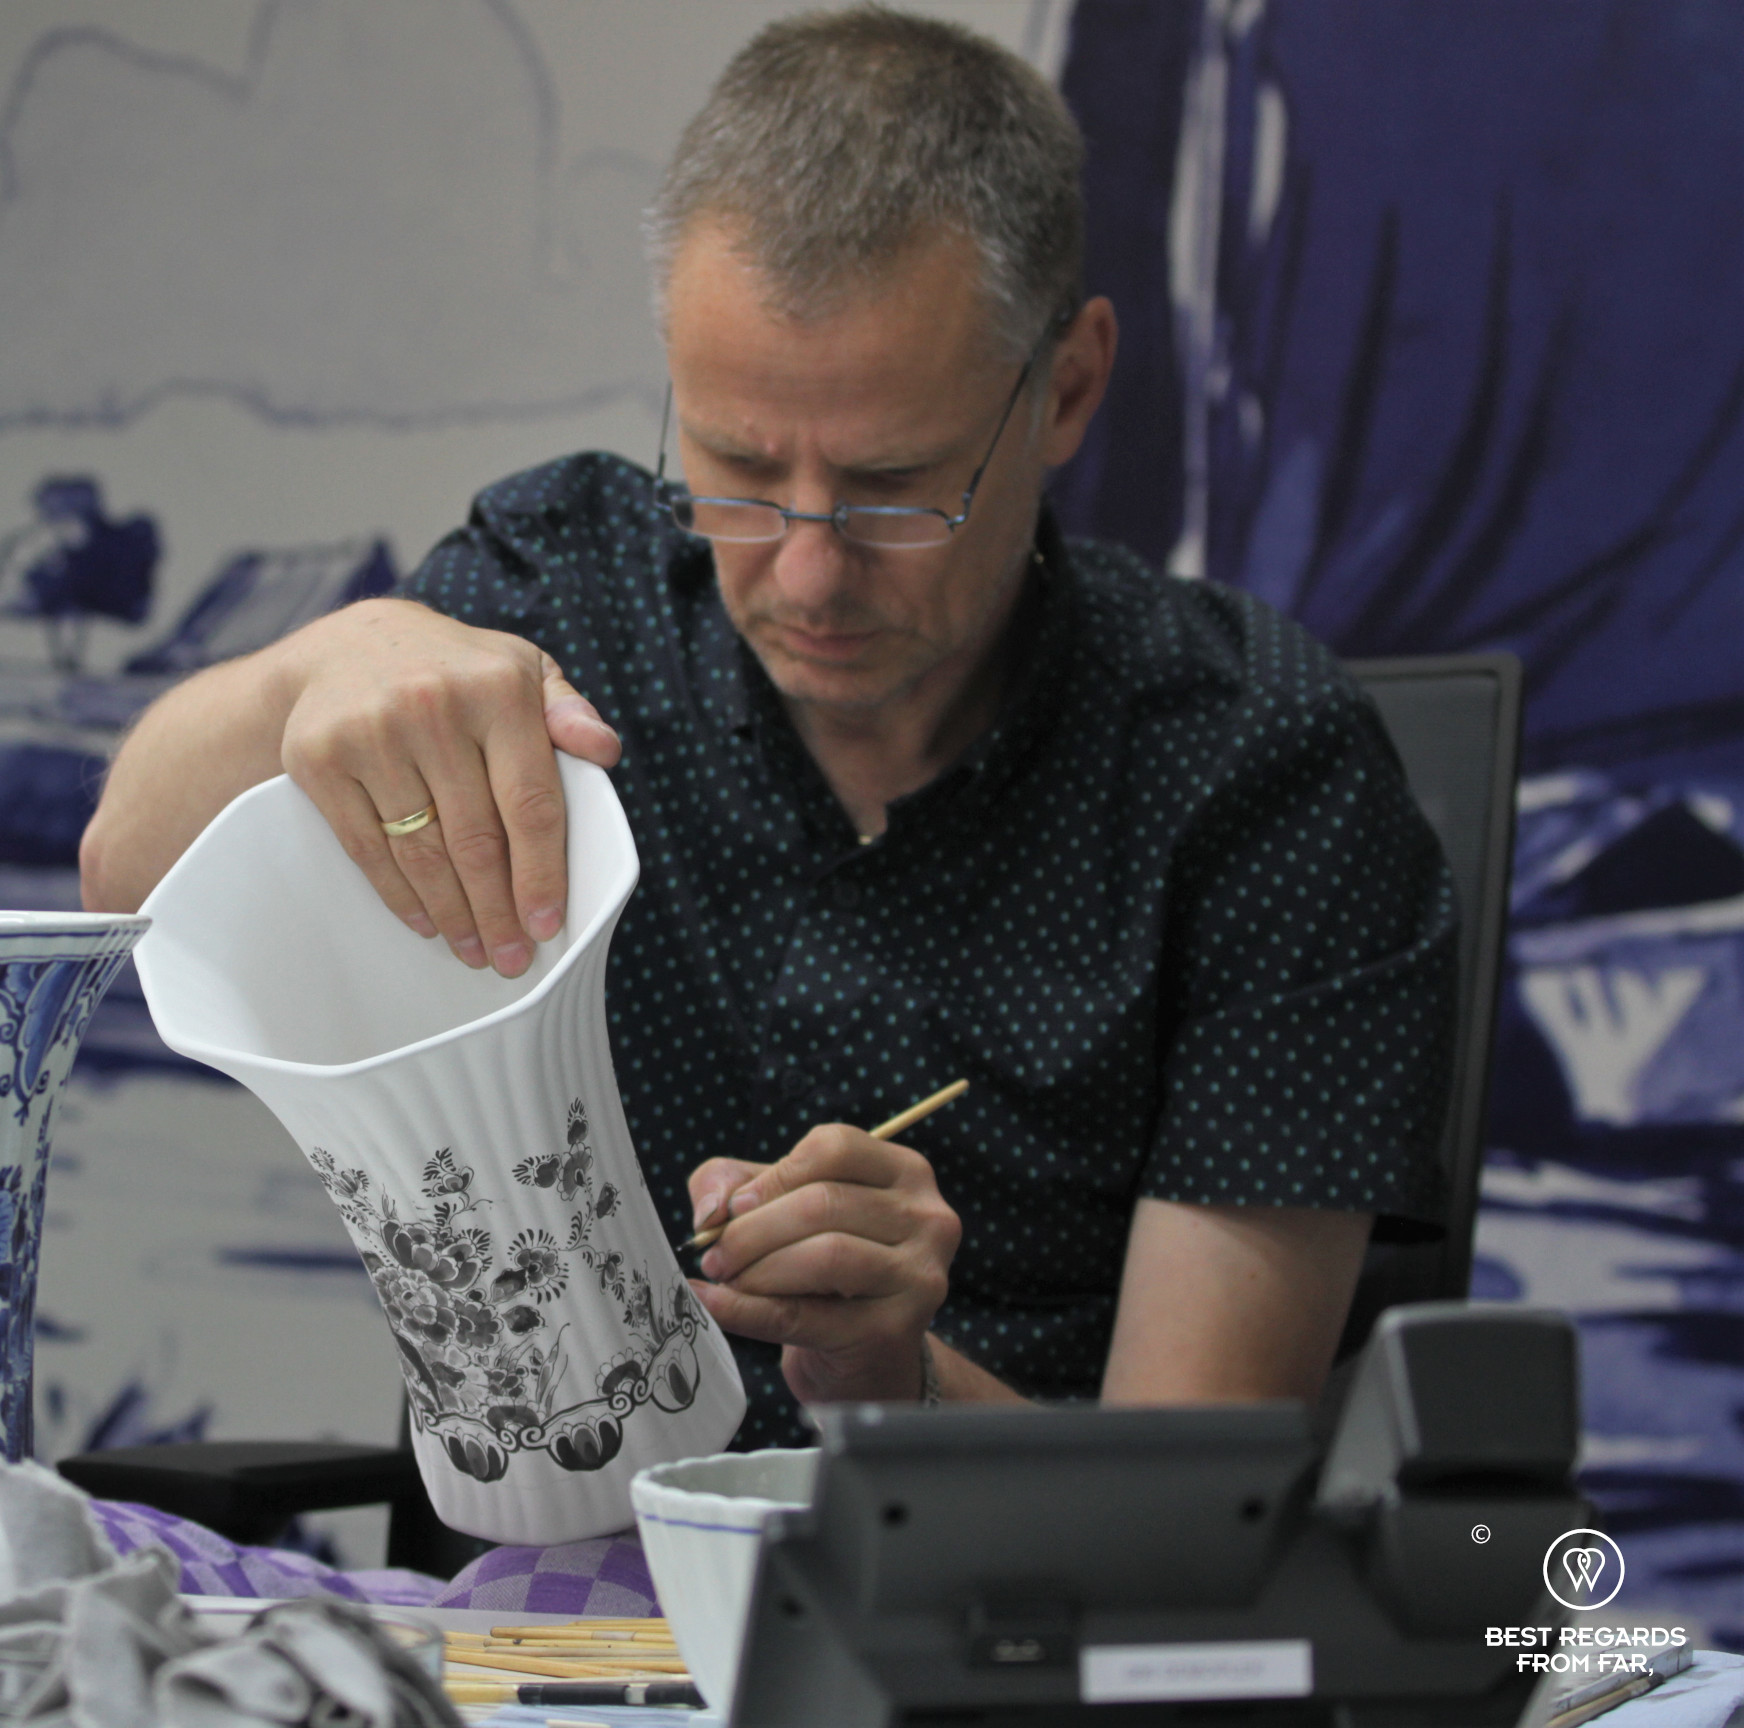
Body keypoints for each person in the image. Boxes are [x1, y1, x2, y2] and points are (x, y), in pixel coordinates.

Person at [80, 6, 1452, 1445]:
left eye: (891, 483)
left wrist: (888, 1377)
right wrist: (328, 666)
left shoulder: (1256, 769)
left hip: (990, 1620)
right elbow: (128, 873)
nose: (803, 570)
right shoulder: (562, 610)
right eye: (735, 464)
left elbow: (1189, 1504)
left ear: (1069, 390)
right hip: (526, 1614)